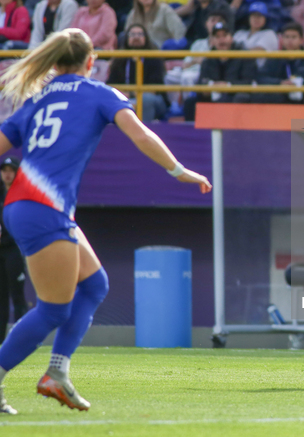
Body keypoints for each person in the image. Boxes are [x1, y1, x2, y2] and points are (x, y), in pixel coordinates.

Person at [0, 28, 211, 415]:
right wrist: (179, 170)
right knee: (52, 309)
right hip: (43, 206)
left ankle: (57, 373)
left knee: (95, 284)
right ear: (91, 61)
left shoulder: (36, 99)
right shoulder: (100, 93)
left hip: (26, 205)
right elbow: (142, 135)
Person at [183, 21, 256, 120]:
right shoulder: (209, 57)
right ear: (212, 40)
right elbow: (201, 83)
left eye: (225, 36)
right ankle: (193, 134)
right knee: (191, 102)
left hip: (234, 95)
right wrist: (210, 86)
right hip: (213, 94)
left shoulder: (244, 55)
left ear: (232, 38)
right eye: (217, 37)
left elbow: (248, 82)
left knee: (240, 97)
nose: (221, 40)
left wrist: (228, 86)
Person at [253, 22, 304, 104]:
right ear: (282, 39)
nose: (290, 40)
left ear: (301, 40)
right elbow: (261, 77)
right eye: (287, 37)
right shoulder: (274, 57)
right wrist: (280, 83)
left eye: (294, 37)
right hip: (278, 102)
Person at [107, 24, 169, 122]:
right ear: (126, 38)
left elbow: (154, 89)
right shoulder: (119, 59)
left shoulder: (155, 58)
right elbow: (111, 85)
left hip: (153, 101)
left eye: (140, 34)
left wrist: (130, 93)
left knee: (145, 99)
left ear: (146, 38)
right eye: (132, 34)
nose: (136, 37)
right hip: (125, 97)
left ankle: (142, 133)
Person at [164, 9, 225, 104]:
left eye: (219, 21)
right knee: (169, 77)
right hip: (191, 69)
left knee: (187, 77)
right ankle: (174, 104)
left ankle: (188, 103)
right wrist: (195, 61)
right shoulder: (198, 43)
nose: (215, 24)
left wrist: (203, 62)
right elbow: (185, 65)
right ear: (206, 24)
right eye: (213, 21)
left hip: (205, 74)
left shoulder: (224, 44)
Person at [0, 157, 27, 345]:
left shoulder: (23, 194)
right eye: (4, 170)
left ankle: (21, 340)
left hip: (14, 250)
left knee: (17, 296)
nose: (7, 174)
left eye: (12, 170)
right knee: (1, 296)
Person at [232, 2, 279, 68]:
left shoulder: (270, 34)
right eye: (253, 15)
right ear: (248, 17)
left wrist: (237, 51)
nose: (256, 19)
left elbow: (257, 51)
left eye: (259, 16)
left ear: (265, 18)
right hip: (237, 70)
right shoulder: (239, 33)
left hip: (259, 72)